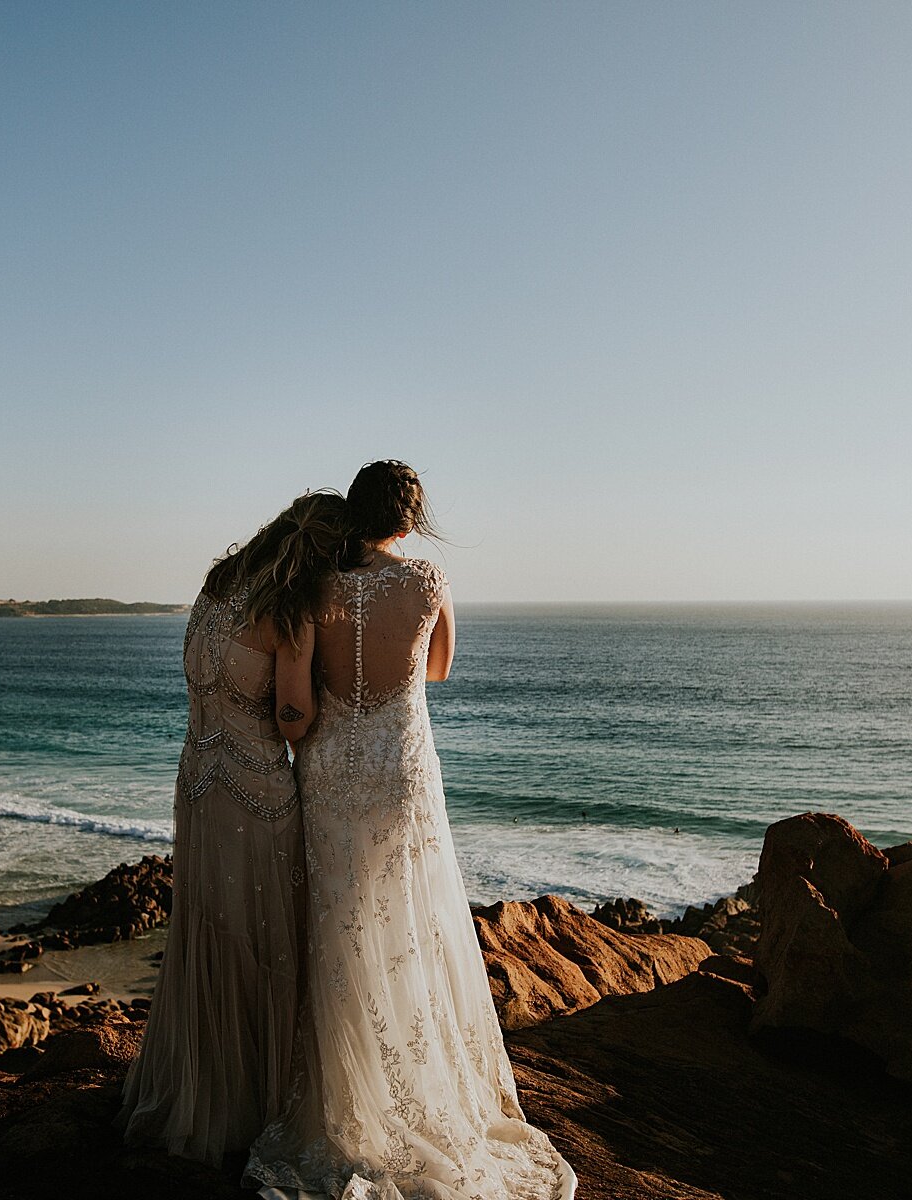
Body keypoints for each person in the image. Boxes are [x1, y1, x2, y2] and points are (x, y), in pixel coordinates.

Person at [247, 461, 576, 1200]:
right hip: (400, 766)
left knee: (339, 922)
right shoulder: (428, 582)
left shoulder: (314, 588)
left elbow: (301, 697)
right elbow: (440, 669)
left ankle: (345, 1097)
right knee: (408, 918)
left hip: (331, 767)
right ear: (411, 520)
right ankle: (416, 1085)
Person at [118, 490, 349, 1165]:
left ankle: (200, 1089)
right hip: (258, 792)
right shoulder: (291, 612)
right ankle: (254, 1104)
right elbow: (291, 716)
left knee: (208, 933)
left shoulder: (216, 587)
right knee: (265, 943)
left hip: (195, 779)